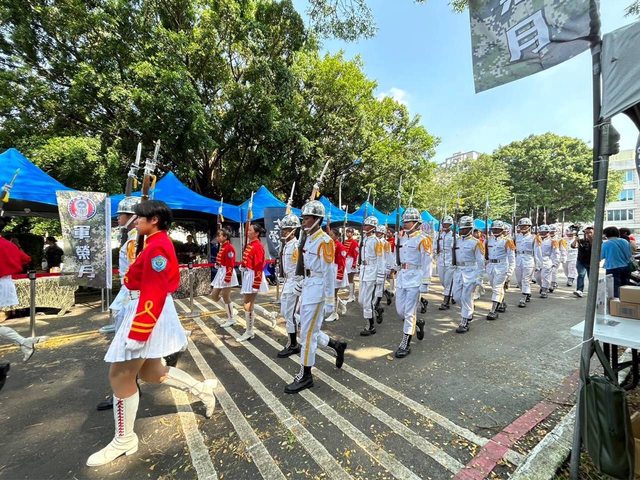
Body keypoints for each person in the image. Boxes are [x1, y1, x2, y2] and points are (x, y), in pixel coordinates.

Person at [87, 200, 216, 467]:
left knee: (120, 375)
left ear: (154, 219)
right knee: (152, 373)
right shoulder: (153, 242)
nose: (135, 221)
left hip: (146, 311)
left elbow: (155, 291)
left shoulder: (157, 246)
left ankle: (124, 439)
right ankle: (202, 390)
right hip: (141, 306)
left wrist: (140, 330)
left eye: (139, 217)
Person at [284, 200, 345, 394]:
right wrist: (301, 281)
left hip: (318, 291)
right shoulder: (308, 238)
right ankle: (336, 345)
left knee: (307, 334)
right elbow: (305, 266)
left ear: (317, 219)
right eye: (303, 218)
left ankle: (306, 375)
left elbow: (328, 273)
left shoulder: (325, 241)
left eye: (307, 218)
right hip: (308, 286)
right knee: (307, 329)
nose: (303, 222)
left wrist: (330, 300)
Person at [0, 222, 48, 364]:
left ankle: (23, 342)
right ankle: (23, 342)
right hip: (6, 283)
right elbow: (26, 258)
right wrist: (16, 247)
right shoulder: (8, 245)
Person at [393, 208, 431, 358]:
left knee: (409, 312)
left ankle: (405, 343)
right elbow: (399, 257)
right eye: (404, 221)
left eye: (407, 221)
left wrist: (425, 283)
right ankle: (417, 323)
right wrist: (395, 267)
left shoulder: (423, 239)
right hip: (402, 277)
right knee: (400, 311)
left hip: (415, 278)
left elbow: (427, 262)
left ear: (416, 223)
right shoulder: (402, 238)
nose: (404, 223)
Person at [101, 197, 140, 335]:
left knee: (124, 322)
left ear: (133, 216)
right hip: (127, 286)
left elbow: (136, 269)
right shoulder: (131, 238)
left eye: (121, 214)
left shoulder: (134, 241)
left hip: (132, 288)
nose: (117, 217)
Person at [237, 224, 273, 341]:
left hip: (254, 276)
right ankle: (268, 316)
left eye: (250, 230)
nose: (248, 232)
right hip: (249, 274)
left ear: (256, 233)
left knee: (247, 304)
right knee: (249, 304)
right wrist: (244, 265)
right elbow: (248, 259)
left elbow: (259, 265)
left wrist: (256, 283)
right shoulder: (250, 244)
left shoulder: (257, 246)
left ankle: (249, 331)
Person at [451, 216, 485, 334]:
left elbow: (480, 262)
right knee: (456, 297)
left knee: (466, 297)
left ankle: (464, 320)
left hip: (471, 272)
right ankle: (469, 310)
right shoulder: (456, 241)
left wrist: (479, 278)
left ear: (470, 229)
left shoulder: (476, 243)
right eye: (460, 228)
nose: (461, 230)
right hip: (458, 272)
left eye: (464, 229)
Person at [276, 214, 303, 358]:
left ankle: (293, 344)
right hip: (287, 282)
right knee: (286, 313)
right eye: (283, 229)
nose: (283, 232)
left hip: (294, 282)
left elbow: (301, 267)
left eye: (286, 229)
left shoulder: (297, 246)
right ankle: (292, 337)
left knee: (290, 315)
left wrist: (300, 283)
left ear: (293, 230)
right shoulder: (286, 245)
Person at [358, 216, 385, 336]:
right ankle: (376, 309)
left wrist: (380, 276)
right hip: (364, 271)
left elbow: (381, 259)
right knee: (361, 301)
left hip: (372, 272)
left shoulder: (376, 241)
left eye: (367, 225)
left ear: (373, 227)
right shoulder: (364, 239)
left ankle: (370, 326)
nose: (364, 227)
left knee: (367, 301)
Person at [485, 220, 515, 320]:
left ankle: (493, 310)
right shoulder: (488, 240)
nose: (495, 231)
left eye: (498, 229)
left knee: (497, 288)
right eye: (494, 229)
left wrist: (510, 272)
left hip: (502, 266)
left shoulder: (507, 241)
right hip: (491, 266)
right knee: (494, 287)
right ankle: (502, 302)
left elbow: (511, 258)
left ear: (502, 230)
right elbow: (485, 255)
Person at [210, 227, 238, 327]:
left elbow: (230, 264)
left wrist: (228, 277)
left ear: (225, 237)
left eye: (219, 235)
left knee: (226, 296)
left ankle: (231, 318)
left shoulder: (229, 247)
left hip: (227, 272)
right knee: (214, 295)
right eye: (217, 235)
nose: (217, 237)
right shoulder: (223, 246)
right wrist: (218, 264)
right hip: (221, 272)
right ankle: (231, 310)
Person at [514, 217, 542, 308]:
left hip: (528, 260)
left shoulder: (534, 237)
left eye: (525, 226)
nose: (523, 227)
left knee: (525, 279)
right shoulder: (516, 236)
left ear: (529, 226)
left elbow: (537, 252)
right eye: (521, 226)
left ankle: (523, 297)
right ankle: (527, 292)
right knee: (519, 280)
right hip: (518, 259)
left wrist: (538, 264)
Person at [325, 228, 348, 323]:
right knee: (330, 292)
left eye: (331, 235)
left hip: (337, 270)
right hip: (330, 269)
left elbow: (342, 262)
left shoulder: (340, 246)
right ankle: (341, 304)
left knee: (333, 293)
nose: (329, 236)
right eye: (329, 234)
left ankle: (334, 313)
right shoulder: (329, 244)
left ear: (337, 236)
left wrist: (339, 275)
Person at [601, 226, 632, 298]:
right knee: (625, 287)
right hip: (625, 267)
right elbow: (629, 254)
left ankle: (616, 302)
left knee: (614, 289)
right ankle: (625, 300)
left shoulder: (605, 244)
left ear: (606, 234)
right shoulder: (625, 241)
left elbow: (601, 256)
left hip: (612, 268)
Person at [436, 216, 455, 311]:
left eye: (447, 224)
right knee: (443, 281)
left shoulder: (454, 236)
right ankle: (452, 293)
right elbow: (435, 247)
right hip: (440, 260)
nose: (445, 226)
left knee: (448, 282)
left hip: (450, 261)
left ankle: (445, 302)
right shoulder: (439, 235)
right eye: (444, 224)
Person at [535, 225, 558, 299]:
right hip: (538, 260)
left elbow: (555, 252)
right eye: (541, 232)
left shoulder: (553, 241)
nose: (543, 234)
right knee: (537, 277)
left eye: (545, 232)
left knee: (545, 276)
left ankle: (544, 290)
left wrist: (555, 262)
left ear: (548, 232)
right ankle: (542, 286)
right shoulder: (536, 240)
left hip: (547, 260)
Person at [572, 226, 593, 298]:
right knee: (581, 275)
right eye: (586, 233)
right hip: (581, 261)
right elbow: (572, 246)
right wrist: (576, 240)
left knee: (591, 277)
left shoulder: (596, 241)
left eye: (590, 232)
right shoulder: (581, 241)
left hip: (591, 262)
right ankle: (579, 290)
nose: (588, 234)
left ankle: (593, 291)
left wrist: (591, 239)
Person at [343, 227, 359, 302]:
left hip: (351, 260)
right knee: (348, 278)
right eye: (347, 232)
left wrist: (354, 263)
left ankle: (351, 296)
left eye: (350, 232)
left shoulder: (354, 242)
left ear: (352, 233)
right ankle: (351, 294)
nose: (348, 233)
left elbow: (356, 254)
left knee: (350, 279)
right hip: (346, 261)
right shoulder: (345, 241)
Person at [384, 227, 396, 305]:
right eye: (387, 232)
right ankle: (386, 290)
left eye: (389, 232)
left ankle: (392, 289)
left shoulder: (395, 241)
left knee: (392, 274)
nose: (388, 234)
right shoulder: (385, 241)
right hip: (386, 259)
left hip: (393, 258)